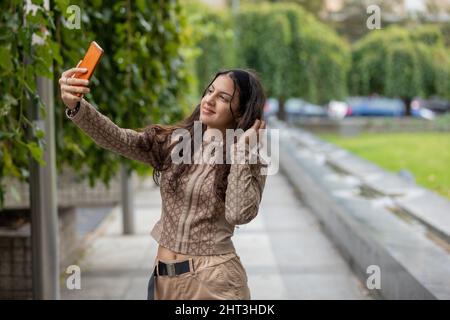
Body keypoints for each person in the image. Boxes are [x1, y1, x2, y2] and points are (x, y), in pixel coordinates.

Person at [59, 67, 268, 300]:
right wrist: (76, 107)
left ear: (240, 112)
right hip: (163, 280)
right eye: (210, 91)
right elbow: (119, 139)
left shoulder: (251, 157)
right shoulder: (178, 141)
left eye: (223, 98)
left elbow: (239, 214)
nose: (209, 100)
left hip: (213, 284)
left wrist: (241, 152)